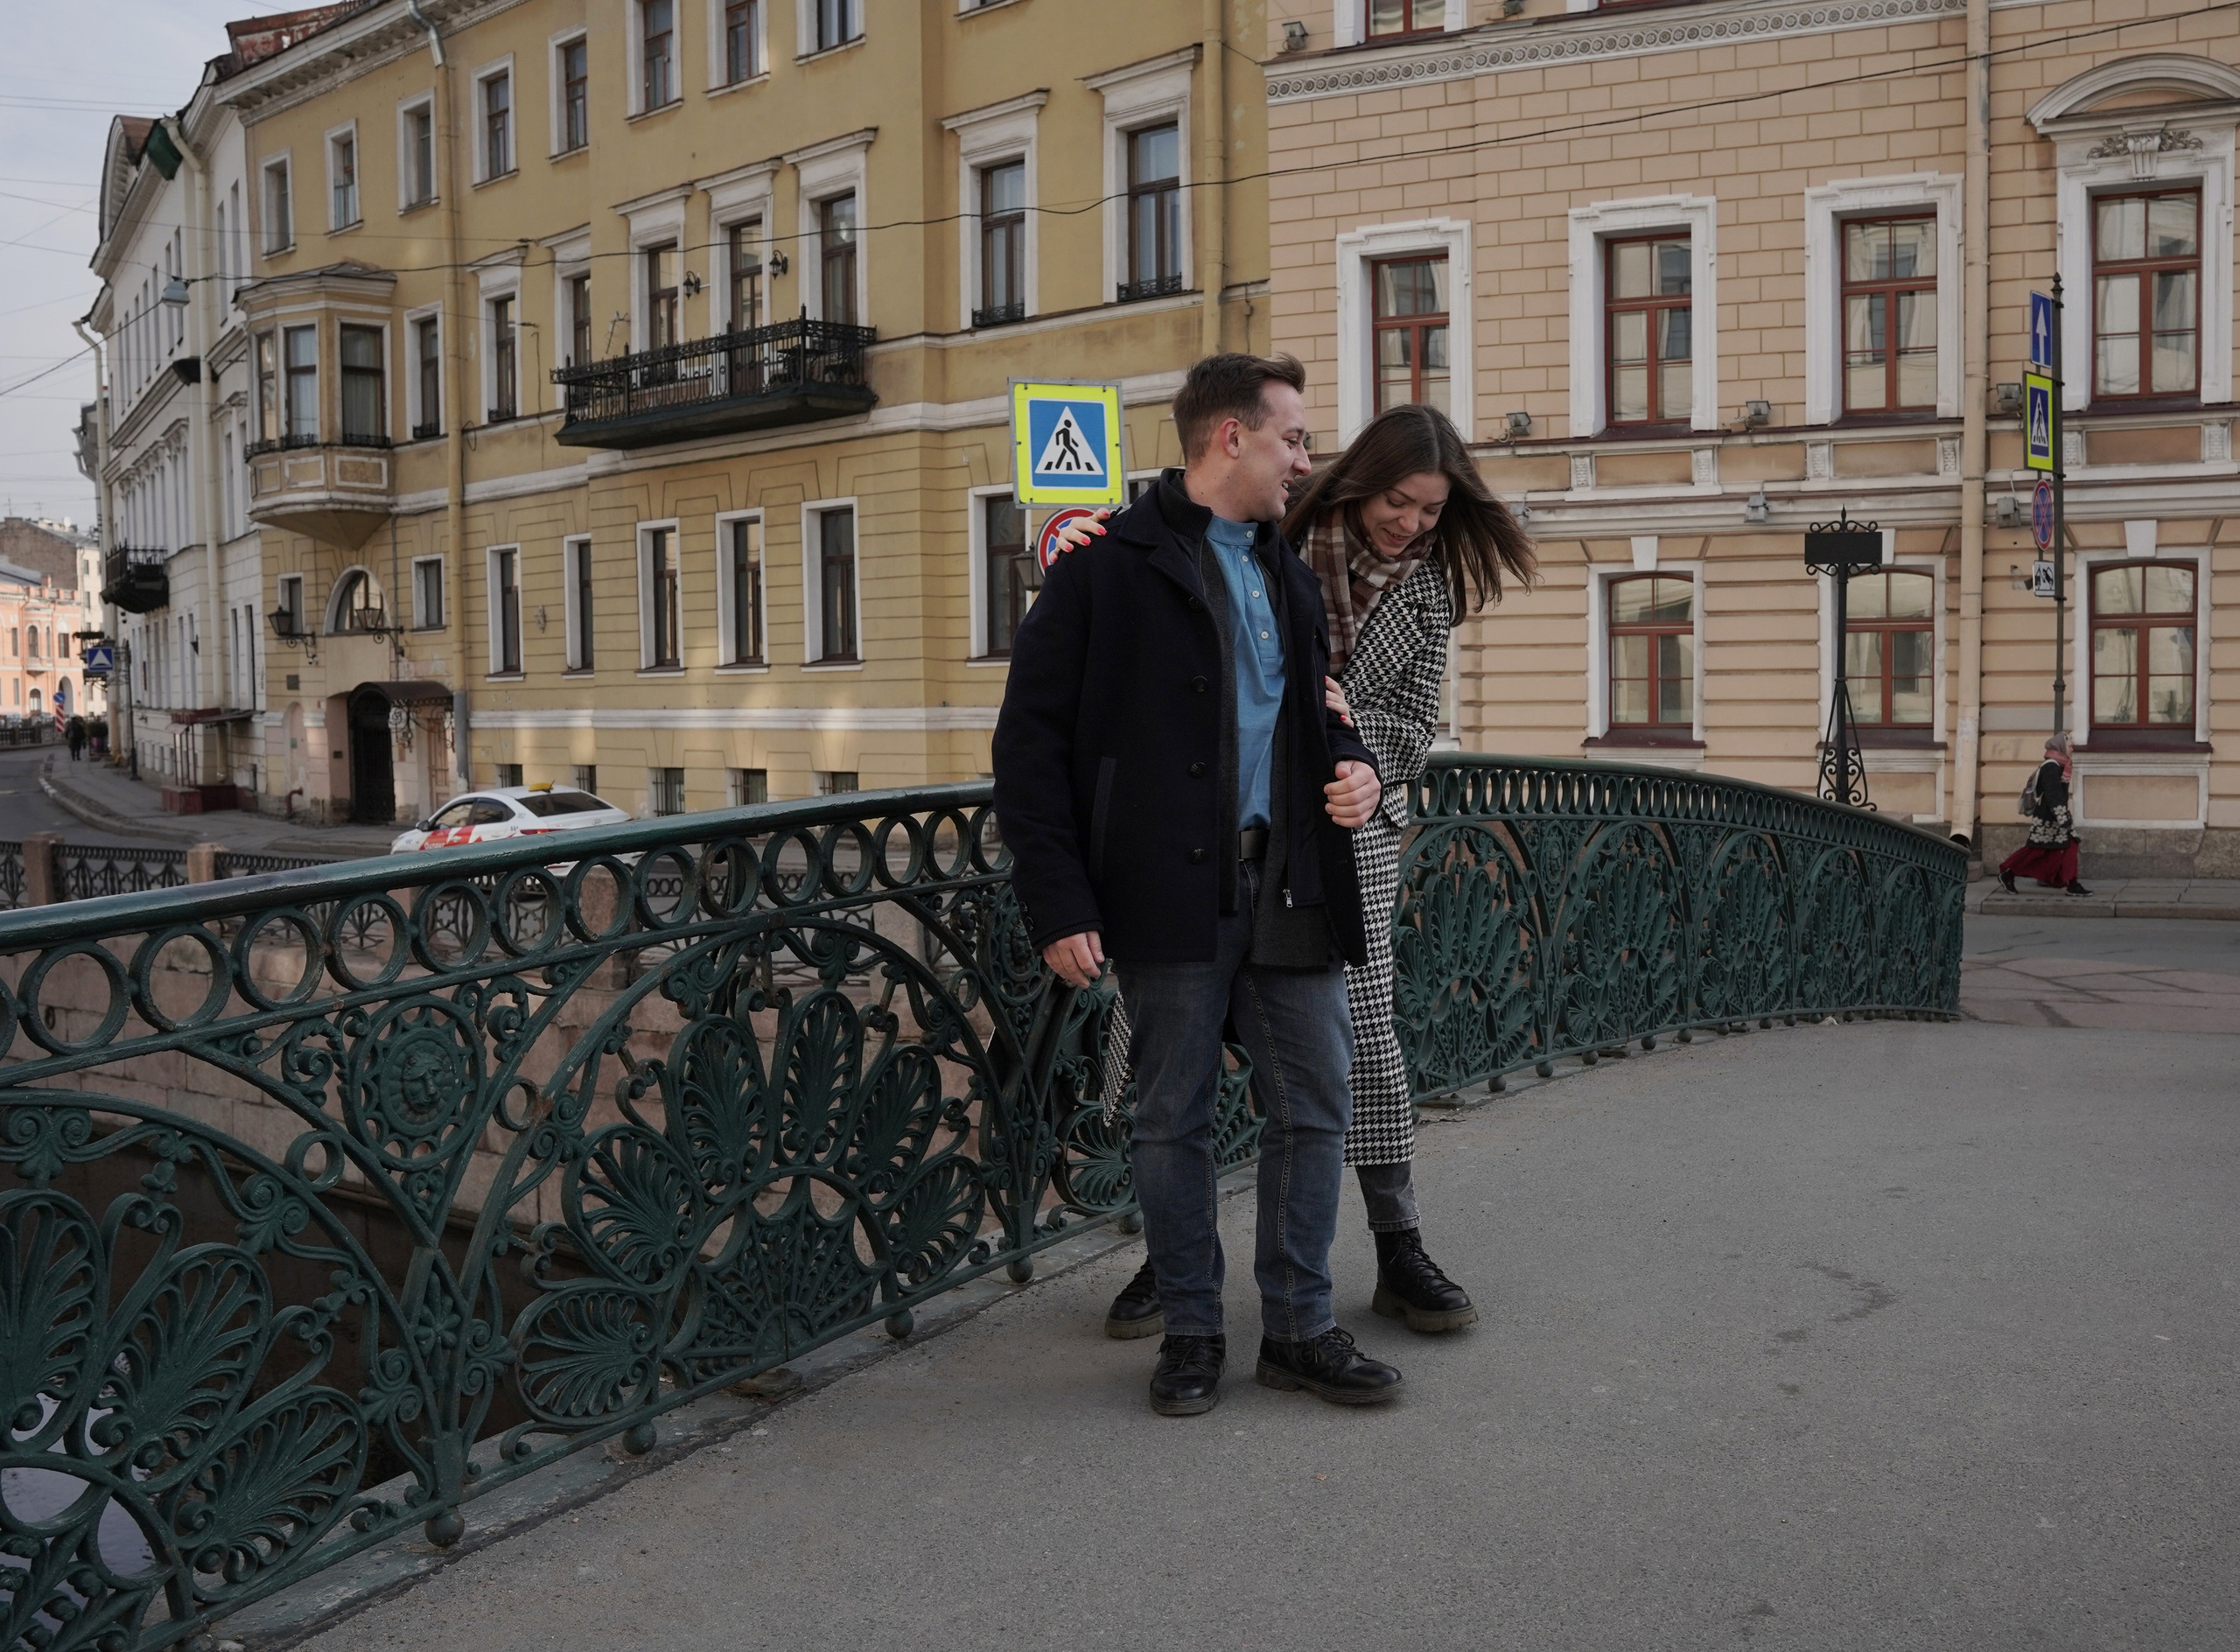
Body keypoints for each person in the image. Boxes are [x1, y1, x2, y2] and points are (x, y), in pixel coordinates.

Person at [1054, 402, 1536, 1341]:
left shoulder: (1429, 590)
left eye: (1431, 512)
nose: (1411, 525)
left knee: (1357, 1041)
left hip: (1340, 831)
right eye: (1398, 502)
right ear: (1360, 481)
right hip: (1213, 819)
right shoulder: (1279, 533)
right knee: (1166, 1046)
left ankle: (1397, 1245)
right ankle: (1171, 1256)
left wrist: (1351, 748)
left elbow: (1406, 728)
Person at [993, 353, 1399, 1418]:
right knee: (1170, 1116)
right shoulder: (1100, 571)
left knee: (1315, 1105)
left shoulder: (1290, 574)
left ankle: (1300, 1329)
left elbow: (1317, 701)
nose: (1305, 460)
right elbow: (1028, 750)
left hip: (1291, 877)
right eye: (1294, 439)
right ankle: (1190, 1329)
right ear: (1231, 438)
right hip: (1166, 888)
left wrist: (1353, 762)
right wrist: (1061, 902)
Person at [1999, 732, 2090, 895]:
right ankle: (2008, 873)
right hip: (2049, 818)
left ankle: (2071, 883)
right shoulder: (2051, 766)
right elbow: (2053, 795)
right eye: (2069, 746)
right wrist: (2064, 820)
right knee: (2036, 850)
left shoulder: (2059, 765)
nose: (2072, 749)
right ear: (2061, 747)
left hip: (2054, 816)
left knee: (2066, 846)